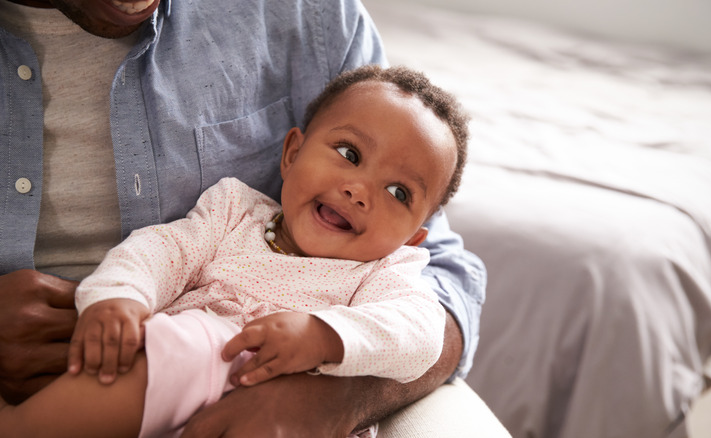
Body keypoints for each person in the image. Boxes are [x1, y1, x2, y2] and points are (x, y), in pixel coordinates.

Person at [0, 0, 486, 436]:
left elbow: (419, 332)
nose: (359, 191)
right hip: (158, 379)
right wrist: (119, 296)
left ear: (412, 238)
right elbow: (163, 250)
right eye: (348, 153)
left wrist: (327, 339)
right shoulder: (234, 210)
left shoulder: (387, 271)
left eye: (399, 192)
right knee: (190, 344)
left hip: (281, 409)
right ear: (291, 153)